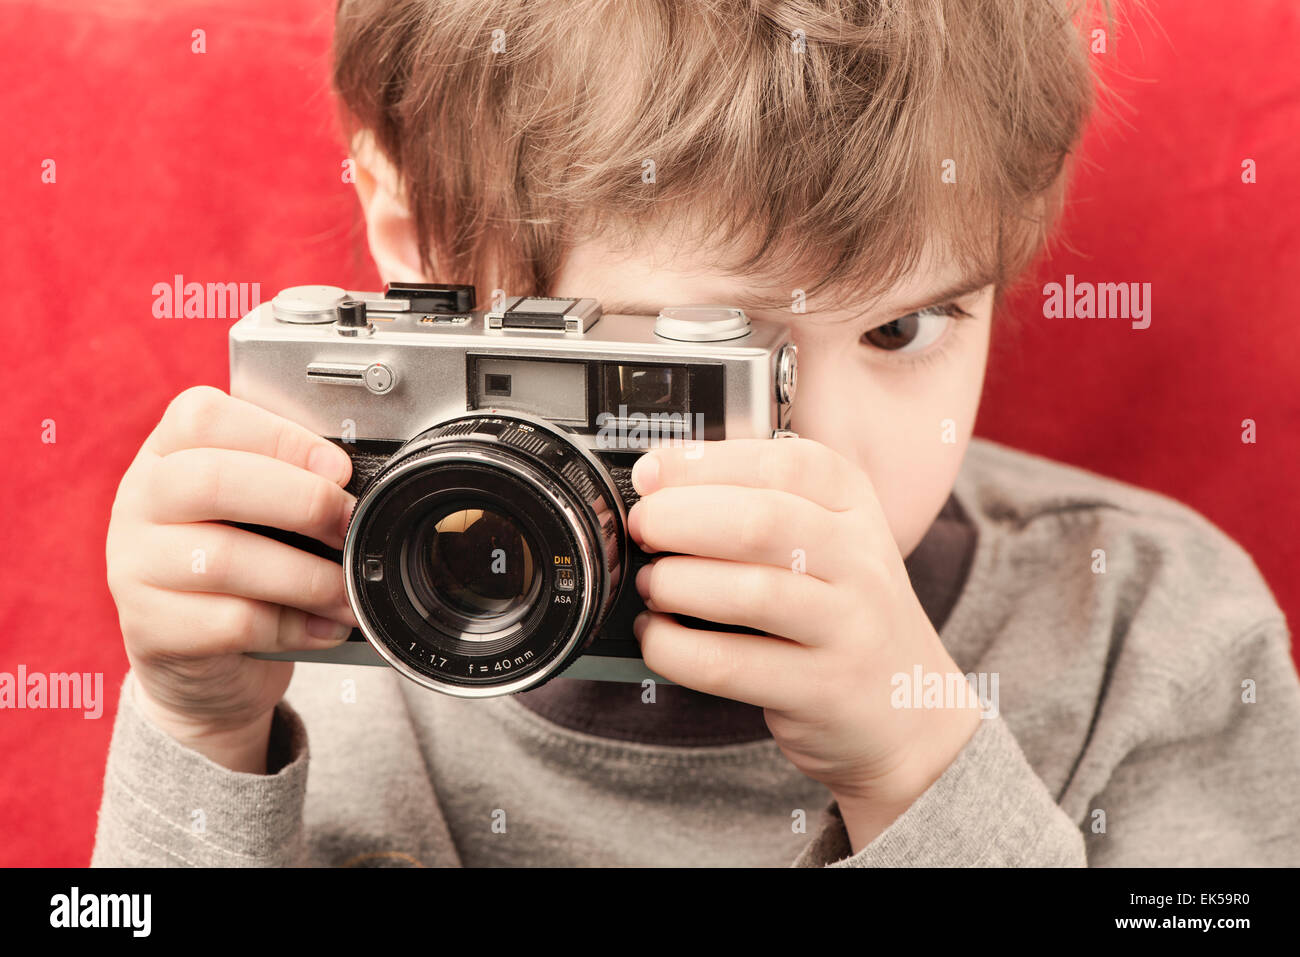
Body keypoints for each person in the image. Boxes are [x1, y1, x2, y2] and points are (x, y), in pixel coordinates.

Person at [92, 0, 1300, 866]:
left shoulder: (1151, 634)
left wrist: (919, 781)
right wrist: (199, 734)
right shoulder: (311, 624)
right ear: (419, 250)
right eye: (691, 361)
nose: (809, 458)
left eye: (902, 331)